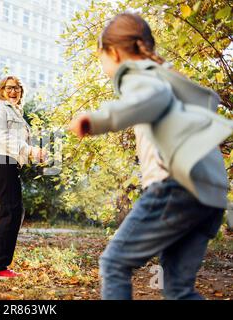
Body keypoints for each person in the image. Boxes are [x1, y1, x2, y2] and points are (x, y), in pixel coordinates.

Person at [69, 13, 232, 299]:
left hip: (176, 188)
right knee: (178, 290)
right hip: (209, 195)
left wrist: (97, 119)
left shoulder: (140, 74)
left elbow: (149, 99)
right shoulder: (170, 79)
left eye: (100, 56)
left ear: (114, 52)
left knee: (114, 262)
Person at [0, 76, 45, 280]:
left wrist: (32, 154)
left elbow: (16, 142)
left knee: (13, 209)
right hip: (0, 159)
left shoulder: (16, 113)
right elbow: (0, 137)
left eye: (17, 88)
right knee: (12, 210)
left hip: (8, 161)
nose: (13, 91)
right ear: (2, 90)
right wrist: (30, 150)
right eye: (9, 88)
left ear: (21, 92)